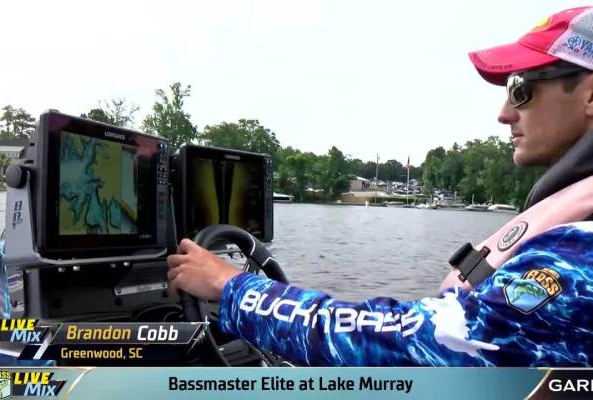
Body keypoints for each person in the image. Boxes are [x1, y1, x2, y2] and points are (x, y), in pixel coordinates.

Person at [167, 7, 593, 366]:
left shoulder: (581, 252)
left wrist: (232, 287)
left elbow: (423, 346)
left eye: (520, 89)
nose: (503, 113)